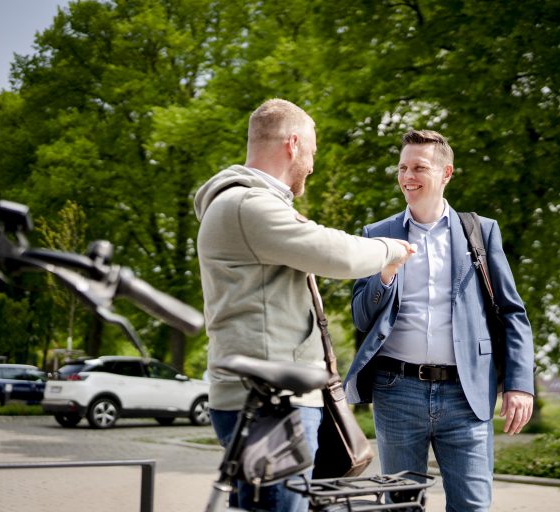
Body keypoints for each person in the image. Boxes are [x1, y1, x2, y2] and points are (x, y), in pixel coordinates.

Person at [194, 98, 412, 511]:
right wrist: (392, 249)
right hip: (269, 404)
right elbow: (334, 252)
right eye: (312, 151)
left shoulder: (249, 204)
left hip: (266, 401)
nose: (312, 165)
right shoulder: (247, 205)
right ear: (293, 144)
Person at [344, 129, 535, 511]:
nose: (407, 176)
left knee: (472, 506)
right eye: (402, 168)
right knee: (400, 506)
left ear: (446, 173)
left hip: (467, 393)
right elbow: (362, 317)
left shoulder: (480, 232)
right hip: (396, 390)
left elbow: (512, 312)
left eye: (419, 167)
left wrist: (519, 384)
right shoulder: (377, 235)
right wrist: (386, 275)